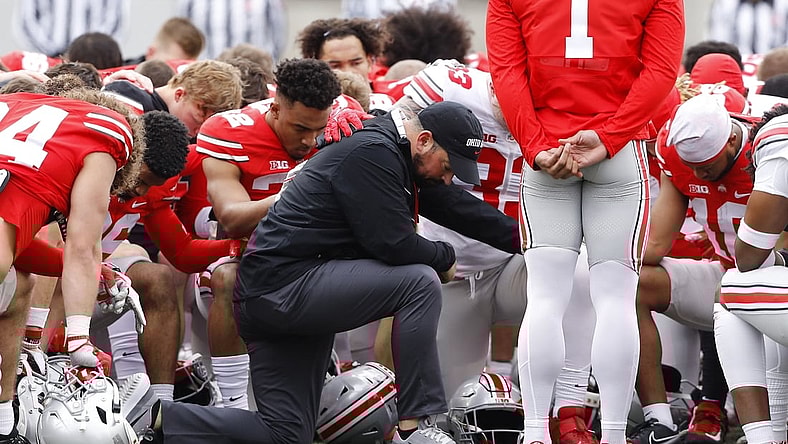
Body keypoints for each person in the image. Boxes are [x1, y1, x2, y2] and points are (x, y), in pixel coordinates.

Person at [143, 97, 520, 443]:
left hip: (280, 294)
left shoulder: (394, 153)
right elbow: (392, 244)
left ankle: (156, 420)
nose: (449, 177)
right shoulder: (374, 151)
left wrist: (535, 242)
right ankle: (416, 426)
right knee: (418, 281)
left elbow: (458, 208)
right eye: (450, 166)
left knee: (286, 434)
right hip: (285, 287)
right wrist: (443, 257)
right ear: (423, 141)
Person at [486, 2, 685, 444]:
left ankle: (536, 430)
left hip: (548, 147)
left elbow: (506, 73)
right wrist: (612, 135)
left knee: (545, 298)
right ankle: (612, 433)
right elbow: (660, 72)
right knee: (615, 300)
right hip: (616, 151)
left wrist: (536, 145)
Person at [399, 58, 597, 444]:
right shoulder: (448, 86)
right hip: (451, 272)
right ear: (496, 86)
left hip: (517, 267)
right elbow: (391, 126)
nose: (533, 115)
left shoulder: (571, 112)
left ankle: (569, 411)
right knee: (451, 417)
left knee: (582, 267)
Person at [0, 88, 145, 443]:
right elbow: (83, 248)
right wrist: (79, 338)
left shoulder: (16, 103)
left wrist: (101, 273)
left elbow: (16, 242)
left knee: (19, 285)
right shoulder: (108, 133)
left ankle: (3, 419)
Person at [629, 93, 757, 444]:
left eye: (708, 165)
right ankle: (659, 420)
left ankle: (765, 422)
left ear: (732, 140)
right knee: (631, 282)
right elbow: (655, 245)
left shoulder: (767, 149)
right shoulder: (674, 150)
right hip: (725, 275)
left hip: (773, 279)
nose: (699, 174)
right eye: (692, 166)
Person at [715, 104, 788, 444]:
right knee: (768, 291)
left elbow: (748, 257)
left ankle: (765, 437)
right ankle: (779, 431)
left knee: (730, 291)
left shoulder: (779, 134)